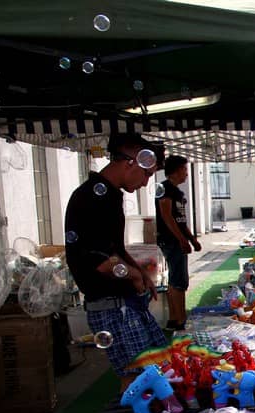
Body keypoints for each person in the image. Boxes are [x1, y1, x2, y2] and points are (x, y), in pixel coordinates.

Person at [64, 132, 167, 392]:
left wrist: (140, 274)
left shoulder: (110, 195)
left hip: (123, 302)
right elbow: (100, 262)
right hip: (110, 306)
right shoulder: (91, 197)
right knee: (140, 378)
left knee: (156, 366)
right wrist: (135, 276)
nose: (145, 183)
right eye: (146, 174)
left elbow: (116, 249)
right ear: (130, 162)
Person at [155, 155, 201, 331]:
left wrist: (192, 239)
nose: (186, 174)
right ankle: (179, 319)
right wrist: (182, 240)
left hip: (176, 239)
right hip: (170, 240)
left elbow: (181, 220)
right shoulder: (164, 189)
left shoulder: (177, 192)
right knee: (178, 281)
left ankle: (175, 319)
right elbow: (167, 216)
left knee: (177, 279)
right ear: (174, 171)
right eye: (184, 169)